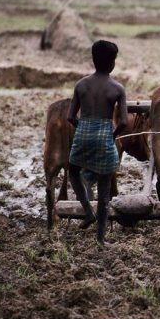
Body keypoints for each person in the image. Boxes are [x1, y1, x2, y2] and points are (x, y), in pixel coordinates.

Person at [67, 40, 127, 246]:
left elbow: (70, 117)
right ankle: (101, 239)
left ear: (93, 60)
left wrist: (83, 129)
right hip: (104, 138)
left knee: (73, 171)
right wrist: (112, 135)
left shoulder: (81, 85)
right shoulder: (117, 88)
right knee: (104, 192)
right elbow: (125, 122)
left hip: (82, 134)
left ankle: (86, 210)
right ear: (112, 63)